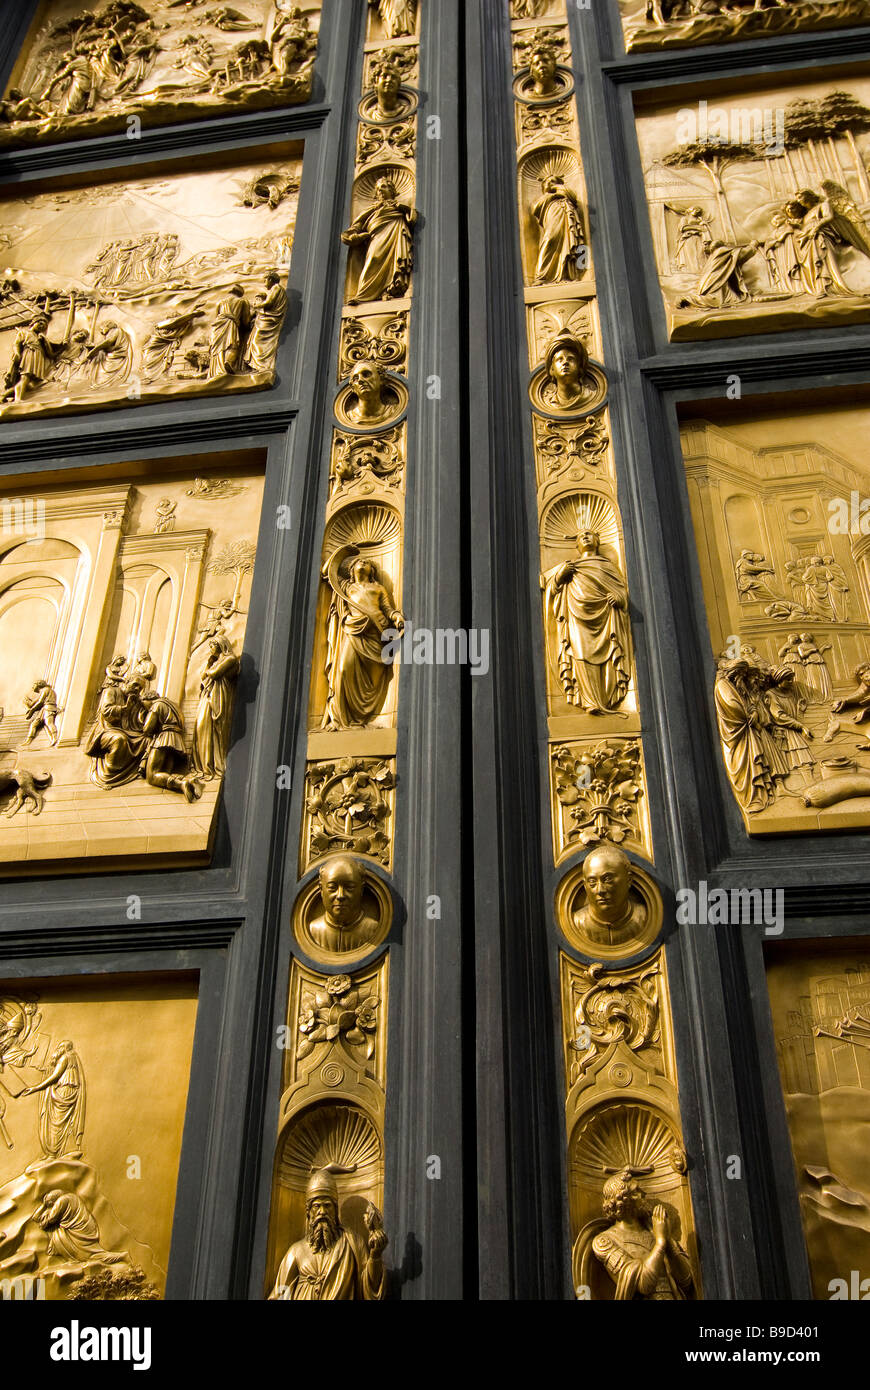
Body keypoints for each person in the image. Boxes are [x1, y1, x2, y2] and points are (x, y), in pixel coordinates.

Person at [541, 527, 631, 713]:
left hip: (605, 618)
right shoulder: (571, 567)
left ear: (597, 540)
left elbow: (621, 591)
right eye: (582, 536)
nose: (585, 537)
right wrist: (559, 575)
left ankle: (606, 699)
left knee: (607, 654)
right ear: (577, 544)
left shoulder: (607, 566)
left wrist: (618, 597)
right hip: (577, 617)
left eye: (589, 534)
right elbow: (551, 589)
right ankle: (590, 700)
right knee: (581, 655)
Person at [269, 1164, 387, 1300]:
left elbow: (370, 1290)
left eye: (327, 1205)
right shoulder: (296, 1252)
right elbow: (279, 1295)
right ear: (308, 1212)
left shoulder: (352, 1243)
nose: (322, 1212)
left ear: (335, 1210)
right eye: (316, 1206)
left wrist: (375, 1256)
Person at [321, 552, 404, 729]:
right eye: (359, 561)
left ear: (371, 570)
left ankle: (364, 718)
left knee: (374, 680)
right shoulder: (346, 587)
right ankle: (342, 720)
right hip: (353, 631)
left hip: (376, 633)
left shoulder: (378, 588)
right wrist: (341, 552)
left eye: (366, 562)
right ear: (351, 570)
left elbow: (387, 609)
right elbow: (327, 573)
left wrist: (396, 616)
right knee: (343, 669)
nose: (363, 562)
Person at [587, 1169, 694, 1300]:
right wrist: (660, 1243)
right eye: (636, 1191)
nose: (644, 1193)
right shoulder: (605, 1242)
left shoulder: (652, 1229)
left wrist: (667, 1240)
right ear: (623, 1201)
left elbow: (687, 1279)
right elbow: (644, 1284)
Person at [342, 177, 417, 303]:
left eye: (384, 187)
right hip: (376, 237)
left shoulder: (399, 207)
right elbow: (355, 228)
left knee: (394, 263)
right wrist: (355, 236)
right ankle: (363, 295)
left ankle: (389, 291)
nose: (380, 190)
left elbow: (412, 218)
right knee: (373, 259)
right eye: (378, 188)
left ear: (392, 191)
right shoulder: (372, 210)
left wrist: (403, 208)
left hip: (394, 232)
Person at [19, 1040, 85, 1160]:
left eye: (60, 1047)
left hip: (63, 1092)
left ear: (64, 1048)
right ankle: (56, 1152)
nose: (58, 1049)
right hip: (69, 1091)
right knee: (61, 1123)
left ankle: (53, 1153)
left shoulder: (65, 1057)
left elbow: (55, 1076)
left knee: (56, 1123)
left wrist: (35, 1088)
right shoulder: (74, 1057)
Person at [572, 845, 646, 948]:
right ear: (585, 885)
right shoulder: (576, 922)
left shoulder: (643, 918)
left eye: (607, 880)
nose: (600, 890)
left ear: (628, 880)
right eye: (592, 882)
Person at [309, 855, 381, 954]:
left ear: (361, 889)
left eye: (349, 887)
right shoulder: (313, 930)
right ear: (321, 889)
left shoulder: (372, 929)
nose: (340, 895)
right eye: (332, 888)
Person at [34, 1190, 126, 1267]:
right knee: (92, 1254)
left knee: (90, 1255)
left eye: (49, 1204)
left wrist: (44, 1206)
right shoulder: (72, 1197)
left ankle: (121, 1257)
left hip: (77, 1233)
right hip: (87, 1230)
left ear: (52, 1201)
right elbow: (36, 1218)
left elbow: (50, 1219)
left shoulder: (61, 1201)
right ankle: (120, 1257)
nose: (49, 1206)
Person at [192, 637, 240, 778]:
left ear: (221, 645)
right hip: (208, 696)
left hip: (219, 699)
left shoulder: (230, 658)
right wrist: (209, 663)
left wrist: (210, 668)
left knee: (214, 730)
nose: (211, 648)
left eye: (213, 645)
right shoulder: (215, 661)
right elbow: (204, 675)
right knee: (201, 728)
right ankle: (204, 766)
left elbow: (214, 673)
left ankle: (216, 765)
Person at [532, 175, 585, 284]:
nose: (550, 183)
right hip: (553, 215)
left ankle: (566, 275)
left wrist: (558, 187)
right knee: (550, 239)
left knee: (567, 244)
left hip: (566, 217)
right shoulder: (545, 197)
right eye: (547, 182)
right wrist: (555, 195)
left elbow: (573, 196)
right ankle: (541, 276)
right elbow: (535, 208)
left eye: (553, 181)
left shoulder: (564, 194)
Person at [244, 272, 287, 374]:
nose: (264, 283)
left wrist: (256, 306)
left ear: (270, 279)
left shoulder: (276, 288)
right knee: (256, 340)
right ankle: (257, 366)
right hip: (268, 319)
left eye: (265, 280)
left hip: (269, 320)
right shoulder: (276, 289)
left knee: (257, 340)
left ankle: (261, 366)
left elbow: (269, 303)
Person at [208, 285, 250, 377]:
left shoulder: (220, 302)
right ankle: (229, 362)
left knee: (218, 348)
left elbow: (215, 318)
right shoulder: (242, 301)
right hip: (230, 324)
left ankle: (216, 371)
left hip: (218, 326)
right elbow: (246, 321)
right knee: (231, 345)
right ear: (240, 293)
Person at [22, 680, 59, 746]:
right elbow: (36, 703)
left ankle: (55, 738)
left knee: (49, 723)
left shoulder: (46, 689)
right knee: (34, 724)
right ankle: (28, 741)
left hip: (49, 708)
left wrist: (32, 711)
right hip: (44, 709)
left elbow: (40, 702)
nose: (33, 687)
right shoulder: (44, 691)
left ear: (39, 684)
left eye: (34, 685)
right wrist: (30, 706)